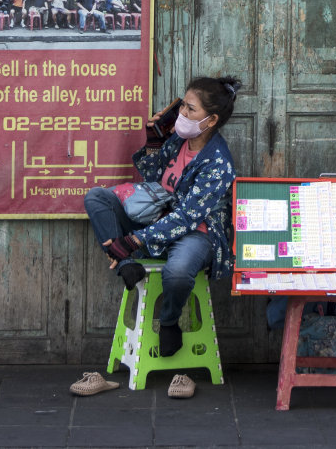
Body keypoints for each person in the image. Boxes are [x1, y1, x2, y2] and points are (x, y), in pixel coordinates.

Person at [74, 77, 240, 400]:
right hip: (158, 217)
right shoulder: (178, 141)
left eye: (191, 110)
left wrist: (135, 240)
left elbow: (186, 218)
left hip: (198, 232)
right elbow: (152, 178)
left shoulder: (218, 162)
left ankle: (168, 321)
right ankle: (125, 265)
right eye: (183, 106)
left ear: (212, 120)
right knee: (97, 198)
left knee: (177, 273)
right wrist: (153, 141)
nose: (182, 115)